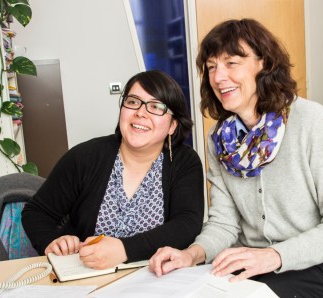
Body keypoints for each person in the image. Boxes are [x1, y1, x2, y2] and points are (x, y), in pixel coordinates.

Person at [149, 19, 323, 297]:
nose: (218, 77)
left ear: (264, 63)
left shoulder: (311, 121)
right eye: (211, 67)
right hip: (259, 264)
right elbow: (224, 223)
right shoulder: (219, 141)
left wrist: (274, 255)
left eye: (231, 63)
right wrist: (192, 254)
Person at [22, 70, 204, 270]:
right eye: (133, 102)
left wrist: (124, 250)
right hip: (88, 276)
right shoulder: (85, 156)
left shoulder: (184, 162)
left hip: (156, 276)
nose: (141, 113)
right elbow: (36, 212)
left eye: (156, 106)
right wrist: (52, 240)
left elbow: (187, 223)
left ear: (172, 125)